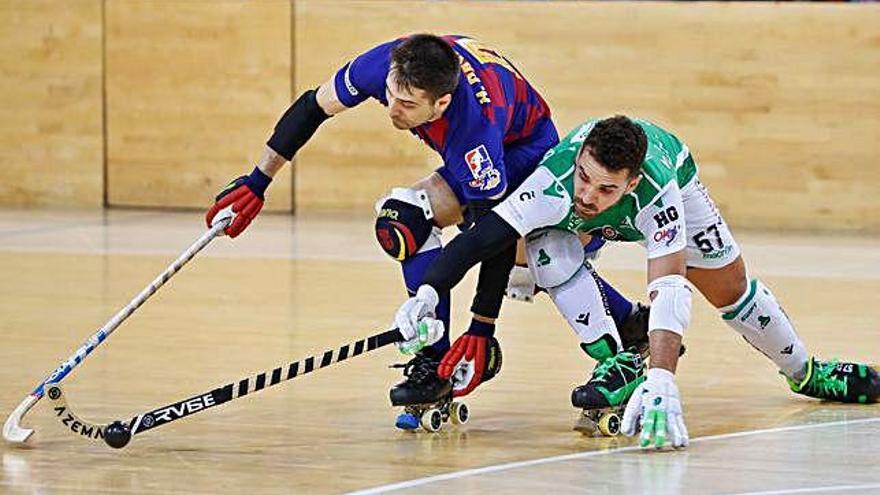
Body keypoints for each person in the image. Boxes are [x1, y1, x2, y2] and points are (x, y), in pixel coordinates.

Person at [203, 34, 644, 427]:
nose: (393, 110)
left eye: (408, 105)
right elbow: (312, 107)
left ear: (441, 104)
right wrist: (258, 182)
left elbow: (493, 236)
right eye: (391, 95)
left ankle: (623, 321)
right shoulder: (387, 65)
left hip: (525, 152)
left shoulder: (475, 133)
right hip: (482, 141)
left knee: (520, 262)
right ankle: (433, 359)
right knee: (402, 221)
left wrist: (481, 329)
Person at [394, 115, 880, 446]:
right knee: (544, 246)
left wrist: (664, 377)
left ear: (630, 184)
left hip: (681, 180)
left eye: (605, 188)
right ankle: (617, 361)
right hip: (567, 212)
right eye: (584, 177)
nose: (587, 195)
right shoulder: (557, 180)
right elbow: (481, 241)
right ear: (579, 157)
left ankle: (807, 372)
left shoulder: (658, 194)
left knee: (729, 289)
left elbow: (669, 288)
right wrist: (430, 291)